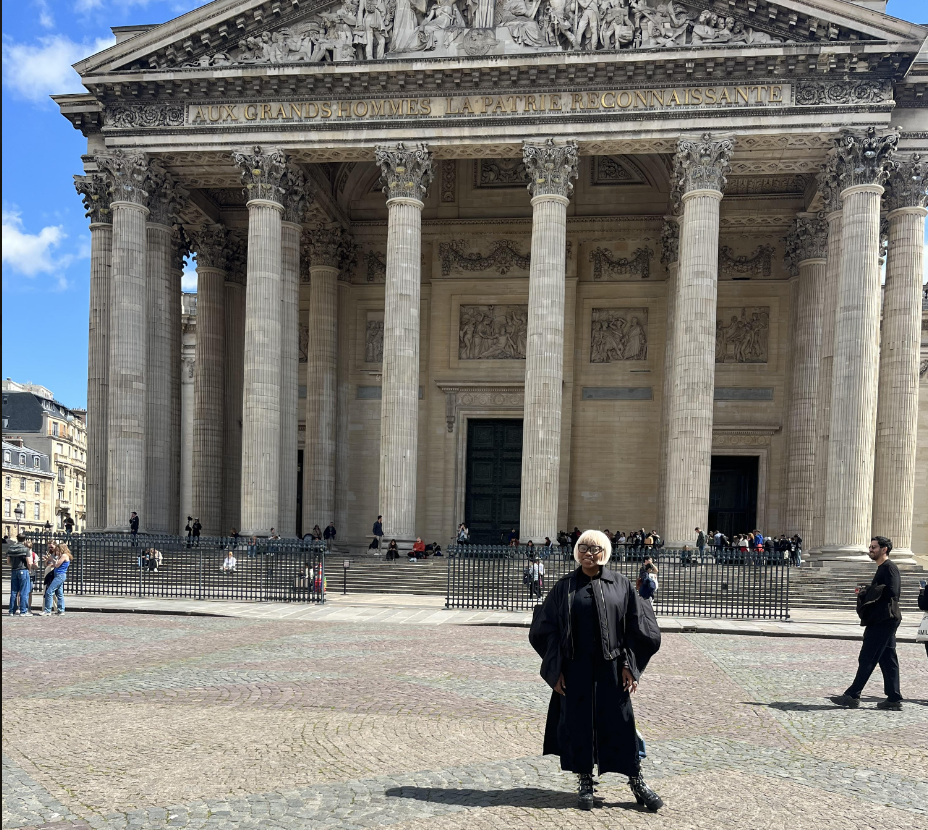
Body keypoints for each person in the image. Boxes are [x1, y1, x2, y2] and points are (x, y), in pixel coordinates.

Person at [529, 529, 663, 812]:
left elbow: (636, 627)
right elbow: (545, 628)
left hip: (612, 668)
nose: (589, 553)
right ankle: (585, 779)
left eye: (595, 549)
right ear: (577, 551)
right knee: (578, 723)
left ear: (605, 553)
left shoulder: (621, 584)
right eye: (584, 548)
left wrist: (629, 664)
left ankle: (636, 779)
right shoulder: (564, 586)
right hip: (574, 669)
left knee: (621, 723)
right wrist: (556, 669)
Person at [831, 536, 903, 711]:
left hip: (884, 620)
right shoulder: (882, 568)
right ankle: (893, 698)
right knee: (887, 659)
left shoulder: (889, 568)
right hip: (884, 619)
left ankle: (852, 695)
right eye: (870, 547)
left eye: (874, 547)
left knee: (868, 656)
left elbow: (893, 591)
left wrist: (868, 591)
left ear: (884, 549)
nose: (870, 549)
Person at [40, 542, 71, 616]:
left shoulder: (64, 555)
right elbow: (54, 564)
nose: (57, 551)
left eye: (58, 550)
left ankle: (47, 610)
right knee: (59, 593)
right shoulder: (62, 556)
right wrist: (49, 559)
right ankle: (61, 610)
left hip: (59, 575)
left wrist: (52, 558)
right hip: (58, 574)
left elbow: (57, 565)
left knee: (49, 592)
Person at [7, 533, 33, 616]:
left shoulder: (10, 548)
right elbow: (29, 562)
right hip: (23, 570)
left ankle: (11, 610)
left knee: (14, 591)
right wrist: (29, 570)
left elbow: (8, 561)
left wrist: (13, 566)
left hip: (14, 570)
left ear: (17, 539)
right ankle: (23, 611)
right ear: (25, 539)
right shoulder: (25, 549)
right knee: (23, 592)